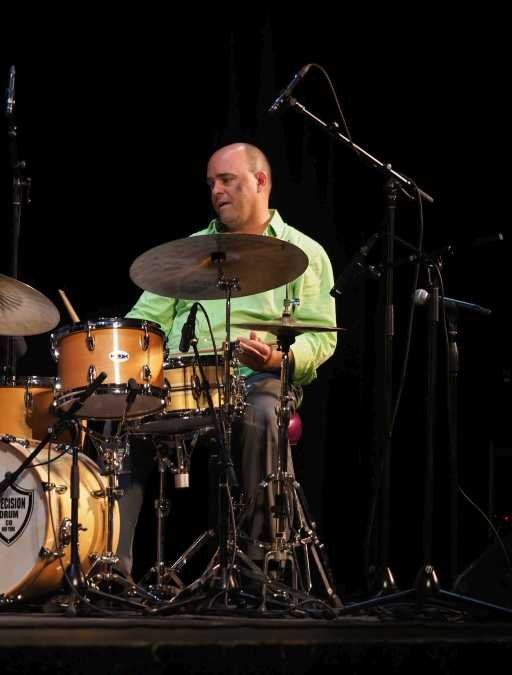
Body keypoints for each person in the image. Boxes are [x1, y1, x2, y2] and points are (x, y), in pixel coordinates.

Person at [120, 142, 338, 573]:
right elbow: (142, 323)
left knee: (261, 413)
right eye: (211, 183)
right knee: (121, 416)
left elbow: (320, 337)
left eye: (227, 180)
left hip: (256, 380)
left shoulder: (304, 253)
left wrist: (276, 359)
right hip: (184, 384)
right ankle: (113, 566)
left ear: (261, 182)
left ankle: (258, 565)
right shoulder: (187, 252)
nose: (216, 191)